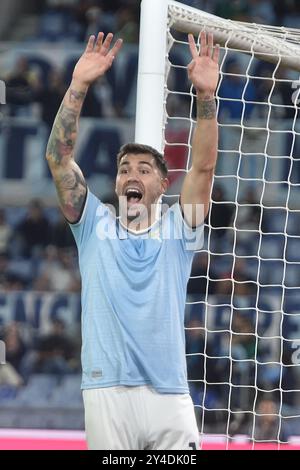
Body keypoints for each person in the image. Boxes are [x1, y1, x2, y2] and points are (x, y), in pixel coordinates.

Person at [46, 31, 219, 450]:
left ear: (162, 184)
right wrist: (78, 86)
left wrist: (206, 98)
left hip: (169, 394)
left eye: (144, 169)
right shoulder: (93, 223)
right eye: (125, 169)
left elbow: (203, 169)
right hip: (108, 392)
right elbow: (58, 158)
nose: (131, 175)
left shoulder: (180, 228)